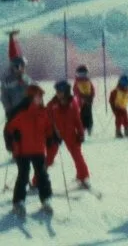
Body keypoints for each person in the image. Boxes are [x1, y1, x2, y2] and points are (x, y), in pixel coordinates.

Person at [5, 85, 54, 214]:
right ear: (31, 97)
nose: (41, 98)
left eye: (41, 96)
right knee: (23, 175)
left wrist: (50, 137)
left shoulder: (43, 112)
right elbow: (9, 128)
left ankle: (46, 199)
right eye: (38, 96)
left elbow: (49, 127)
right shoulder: (20, 113)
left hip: (38, 149)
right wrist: (12, 138)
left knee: (42, 175)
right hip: (22, 151)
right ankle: (18, 202)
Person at [45, 81, 88, 188]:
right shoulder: (52, 104)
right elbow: (47, 121)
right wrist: (50, 135)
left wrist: (81, 133)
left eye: (60, 91)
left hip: (70, 133)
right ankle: (37, 181)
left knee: (77, 155)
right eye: (57, 91)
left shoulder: (73, 103)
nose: (58, 93)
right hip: (56, 134)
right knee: (48, 158)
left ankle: (82, 178)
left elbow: (77, 120)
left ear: (66, 91)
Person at [72, 65, 96, 137]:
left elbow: (92, 89)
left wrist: (92, 96)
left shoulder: (88, 81)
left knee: (89, 114)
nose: (82, 76)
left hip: (89, 101)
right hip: (81, 103)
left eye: (84, 74)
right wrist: (81, 98)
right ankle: (82, 129)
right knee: (82, 116)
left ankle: (89, 127)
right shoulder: (77, 82)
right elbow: (75, 91)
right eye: (81, 74)